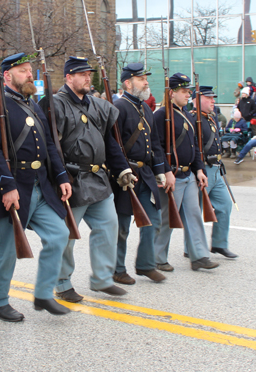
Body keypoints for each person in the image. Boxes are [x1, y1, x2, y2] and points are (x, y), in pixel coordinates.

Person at [0, 52, 72, 322]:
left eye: (30, 70)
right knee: (5, 249)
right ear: (7, 76)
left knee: (58, 235)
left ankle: (43, 294)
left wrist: (62, 176)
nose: (31, 74)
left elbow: (50, 145)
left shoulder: (31, 105)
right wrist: (7, 185)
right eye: (23, 70)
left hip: (40, 185)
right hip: (14, 188)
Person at [38, 56, 130, 300]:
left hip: (98, 179)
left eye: (89, 74)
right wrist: (59, 177)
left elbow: (108, 141)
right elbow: (49, 145)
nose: (88, 78)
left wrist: (122, 168)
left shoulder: (97, 105)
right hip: (72, 179)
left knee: (109, 225)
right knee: (67, 235)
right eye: (82, 74)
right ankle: (62, 282)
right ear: (69, 77)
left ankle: (102, 279)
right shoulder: (53, 104)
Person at [153, 73, 219, 271]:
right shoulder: (161, 115)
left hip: (188, 174)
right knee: (167, 220)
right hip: (172, 175)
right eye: (183, 91)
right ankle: (156, 258)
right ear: (171, 93)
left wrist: (199, 169)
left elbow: (195, 146)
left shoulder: (189, 115)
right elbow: (157, 147)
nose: (187, 94)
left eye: (188, 91)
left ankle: (199, 256)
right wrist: (166, 171)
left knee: (193, 215)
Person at [113, 63, 167, 281]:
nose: (146, 82)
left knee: (153, 221)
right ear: (128, 83)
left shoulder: (145, 109)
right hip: (126, 175)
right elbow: (113, 145)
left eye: (145, 78)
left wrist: (160, 169)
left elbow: (154, 144)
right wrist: (120, 170)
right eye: (141, 79)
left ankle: (145, 264)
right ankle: (117, 270)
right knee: (122, 227)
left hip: (145, 174)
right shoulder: (119, 107)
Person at [190, 86, 238, 259]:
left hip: (216, 169)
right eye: (208, 98)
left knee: (225, 205)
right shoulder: (193, 119)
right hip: (202, 169)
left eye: (213, 98)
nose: (213, 101)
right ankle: (191, 248)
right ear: (197, 99)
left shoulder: (210, 118)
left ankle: (219, 244)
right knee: (195, 211)